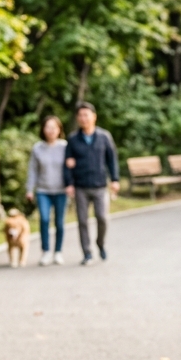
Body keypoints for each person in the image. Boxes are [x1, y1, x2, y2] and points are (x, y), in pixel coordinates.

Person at [64, 102, 119, 266]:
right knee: (82, 221)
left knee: (102, 218)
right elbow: (66, 163)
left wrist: (115, 179)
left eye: (86, 115)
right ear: (77, 118)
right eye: (80, 115)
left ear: (94, 117)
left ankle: (100, 244)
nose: (83, 118)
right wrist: (69, 183)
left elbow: (112, 160)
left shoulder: (104, 137)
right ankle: (87, 252)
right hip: (80, 186)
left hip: (100, 185)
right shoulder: (73, 139)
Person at [26, 115, 68, 266]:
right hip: (43, 190)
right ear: (43, 129)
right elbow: (33, 170)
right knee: (44, 220)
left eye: (54, 128)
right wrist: (29, 189)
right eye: (48, 127)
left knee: (60, 222)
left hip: (61, 190)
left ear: (59, 130)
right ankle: (45, 251)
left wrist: (72, 185)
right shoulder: (37, 148)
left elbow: (70, 168)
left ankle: (58, 252)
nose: (50, 131)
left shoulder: (65, 147)